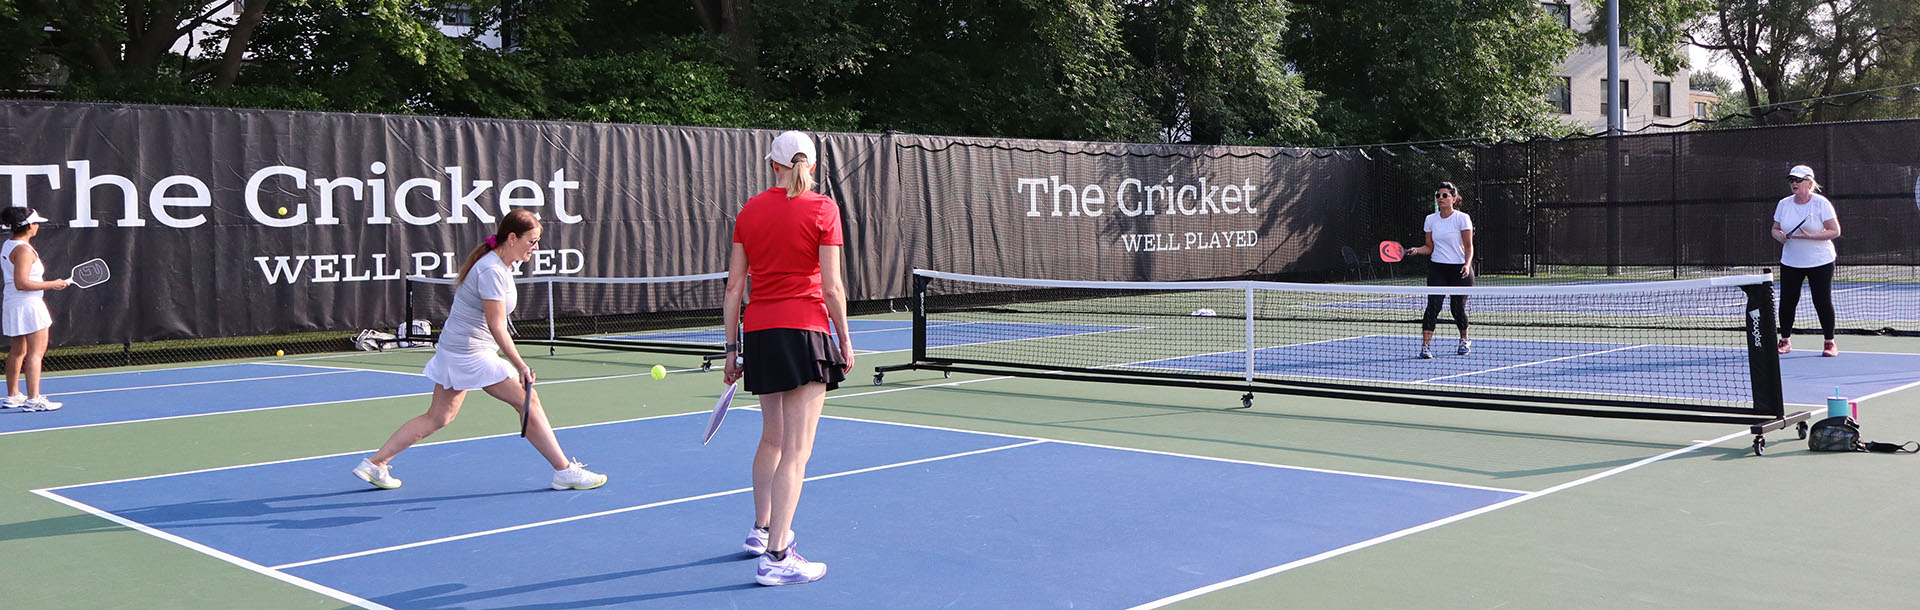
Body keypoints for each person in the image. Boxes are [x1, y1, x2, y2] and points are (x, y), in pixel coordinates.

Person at [351, 209, 606, 491]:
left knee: (439, 417)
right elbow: (497, 327)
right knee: (528, 403)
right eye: (531, 241)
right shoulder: (492, 270)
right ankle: (564, 471)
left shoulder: (500, 265)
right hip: (470, 353)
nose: (536, 247)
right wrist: (520, 365)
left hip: (458, 348)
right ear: (512, 238)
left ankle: (374, 464)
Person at [722, 130, 853, 586]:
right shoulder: (824, 209)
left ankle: (761, 531)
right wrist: (845, 340)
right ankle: (778, 555)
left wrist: (732, 349)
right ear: (811, 166)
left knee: (773, 439)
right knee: (797, 451)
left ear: (771, 165)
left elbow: (734, 288)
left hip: (760, 334)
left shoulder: (750, 211)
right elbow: (833, 287)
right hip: (806, 334)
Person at [2, 207, 70, 412]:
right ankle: (34, 399)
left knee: (18, 351)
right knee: (35, 353)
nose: (38, 226)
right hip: (28, 304)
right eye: (36, 222)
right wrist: (53, 284)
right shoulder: (23, 250)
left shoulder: (9, 244)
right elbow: (21, 283)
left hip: (14, 303)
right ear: (29, 226)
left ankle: (13, 395)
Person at [1771, 164, 1842, 357]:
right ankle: (1784, 340)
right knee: (1787, 301)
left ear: (1809, 183)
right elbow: (1775, 229)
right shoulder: (1784, 204)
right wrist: (1780, 236)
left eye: (1798, 180)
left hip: (1820, 261)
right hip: (1791, 261)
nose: (1794, 183)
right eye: (1791, 180)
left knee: (1822, 300)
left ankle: (1829, 342)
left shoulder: (1821, 203)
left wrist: (1812, 236)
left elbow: (1834, 231)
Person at [1407, 182, 1474, 359]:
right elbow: (1429, 247)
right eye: (1438, 195)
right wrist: (1417, 250)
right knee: (1433, 306)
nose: (1441, 199)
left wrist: (1467, 264)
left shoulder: (1462, 218)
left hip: (1459, 268)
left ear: (1453, 198)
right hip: (1438, 267)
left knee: (1457, 308)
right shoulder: (1430, 219)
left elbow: (1469, 246)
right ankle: (1426, 346)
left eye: (1445, 195)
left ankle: (1464, 339)